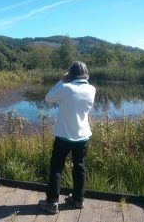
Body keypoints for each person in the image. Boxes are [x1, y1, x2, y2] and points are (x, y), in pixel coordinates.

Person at [38, 61, 96, 214]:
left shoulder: (65, 87)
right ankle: (78, 199)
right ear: (86, 73)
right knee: (80, 167)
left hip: (64, 136)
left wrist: (61, 80)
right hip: (83, 136)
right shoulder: (92, 89)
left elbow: (48, 99)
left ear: (71, 74)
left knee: (56, 168)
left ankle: (52, 202)